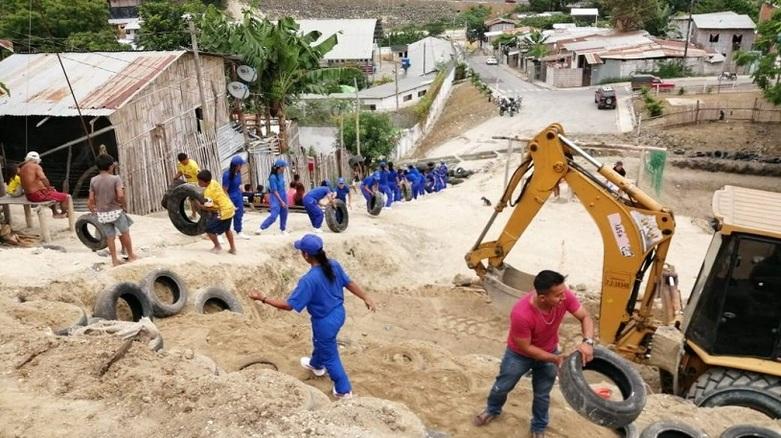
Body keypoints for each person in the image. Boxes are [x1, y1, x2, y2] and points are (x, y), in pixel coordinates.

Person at [248, 234, 376, 399]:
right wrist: (365, 297)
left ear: (306, 255)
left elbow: (288, 305)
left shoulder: (308, 280)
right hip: (339, 313)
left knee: (330, 355)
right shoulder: (333, 265)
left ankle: (343, 390)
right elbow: (349, 283)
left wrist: (263, 298)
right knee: (321, 342)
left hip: (324, 322)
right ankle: (316, 364)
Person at [474, 270, 594, 437]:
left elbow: (585, 317)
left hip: (549, 350)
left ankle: (538, 427)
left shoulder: (563, 295)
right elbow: (526, 347)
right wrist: (555, 359)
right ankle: (492, 409)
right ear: (542, 298)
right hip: (519, 355)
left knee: (542, 394)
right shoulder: (521, 313)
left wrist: (588, 342)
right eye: (558, 295)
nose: (564, 297)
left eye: (563, 292)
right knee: (502, 387)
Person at [87, 154, 138, 267]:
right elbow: (120, 195)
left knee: (110, 237)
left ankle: (114, 260)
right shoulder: (116, 178)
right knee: (125, 233)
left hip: (102, 214)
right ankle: (131, 255)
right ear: (111, 166)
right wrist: (123, 205)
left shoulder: (93, 180)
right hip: (116, 211)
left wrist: (93, 210)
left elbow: (91, 199)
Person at [196, 170, 237, 254]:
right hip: (230, 208)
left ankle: (217, 246)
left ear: (205, 182)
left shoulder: (208, 193)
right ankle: (233, 248)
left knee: (209, 229)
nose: (198, 183)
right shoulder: (213, 182)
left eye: (200, 181)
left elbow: (209, 208)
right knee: (227, 229)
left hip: (223, 212)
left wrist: (199, 206)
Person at [19, 151, 70, 218]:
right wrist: (48, 187)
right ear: (37, 160)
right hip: (36, 195)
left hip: (28, 195)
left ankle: (55, 213)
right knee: (66, 197)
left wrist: (47, 188)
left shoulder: (22, 168)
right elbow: (43, 179)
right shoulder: (36, 166)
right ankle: (63, 213)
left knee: (52, 191)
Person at [256, 159, 289, 235]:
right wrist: (281, 201)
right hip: (275, 197)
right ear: (280, 167)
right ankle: (261, 227)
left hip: (283, 194)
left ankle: (283, 229)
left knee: (284, 213)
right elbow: (274, 190)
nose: (284, 168)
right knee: (274, 215)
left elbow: (282, 186)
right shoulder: (272, 177)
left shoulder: (281, 175)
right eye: (283, 167)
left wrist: (284, 198)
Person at [222, 155, 250, 240]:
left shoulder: (238, 173)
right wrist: (230, 202)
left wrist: (242, 192)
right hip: (230, 196)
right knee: (227, 216)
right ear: (237, 165)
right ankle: (220, 233)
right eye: (241, 165)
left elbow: (239, 184)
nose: (242, 166)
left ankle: (239, 231)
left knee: (239, 214)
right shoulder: (227, 175)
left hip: (238, 195)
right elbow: (224, 190)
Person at [173, 153, 200, 219]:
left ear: (187, 158)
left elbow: (199, 175)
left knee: (197, 199)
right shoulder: (180, 165)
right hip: (189, 183)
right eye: (182, 163)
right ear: (180, 162)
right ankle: (194, 215)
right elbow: (180, 172)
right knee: (191, 199)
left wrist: (200, 186)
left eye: (185, 161)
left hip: (197, 182)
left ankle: (201, 214)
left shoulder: (193, 165)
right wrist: (176, 177)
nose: (184, 163)